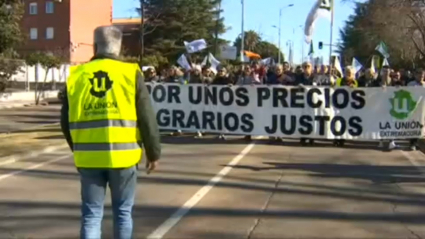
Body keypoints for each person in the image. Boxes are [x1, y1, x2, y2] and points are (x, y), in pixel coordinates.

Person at [60, 26, 161, 239]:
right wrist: (153, 153)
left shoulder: (76, 76)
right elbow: (146, 117)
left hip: (88, 158)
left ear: (95, 47)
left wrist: (77, 147)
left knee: (91, 215)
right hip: (124, 158)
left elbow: (65, 121)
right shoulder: (130, 73)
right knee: (123, 213)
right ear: (119, 47)